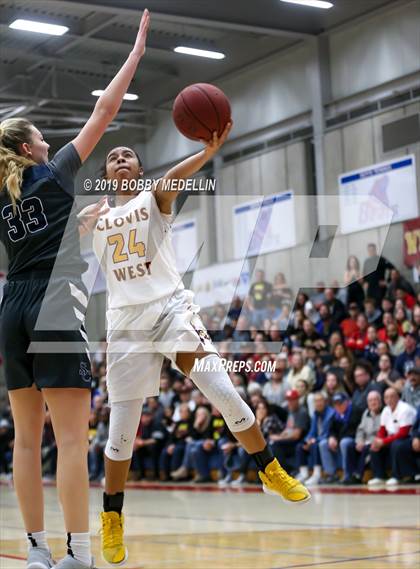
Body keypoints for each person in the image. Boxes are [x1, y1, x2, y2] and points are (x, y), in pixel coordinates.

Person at [91, 123, 310, 564]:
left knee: (223, 390)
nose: (119, 159)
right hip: (125, 324)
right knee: (121, 433)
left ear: (138, 168)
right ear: (105, 172)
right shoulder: (95, 218)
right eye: (112, 156)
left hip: (171, 309)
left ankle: (269, 468)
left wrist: (207, 151)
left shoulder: (152, 199)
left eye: (127, 155)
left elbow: (174, 178)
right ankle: (112, 518)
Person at [0, 10, 151, 569]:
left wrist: (77, 227)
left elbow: (36, 243)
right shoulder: (55, 170)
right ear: (30, 149)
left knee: (23, 440)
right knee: (67, 439)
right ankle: (78, 553)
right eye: (40, 135)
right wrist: (134, 56)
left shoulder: (3, 194)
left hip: (11, 305)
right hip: (54, 305)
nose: (48, 138)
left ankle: (35, 552)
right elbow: (105, 109)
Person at [368, 387, 417, 486]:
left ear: (398, 397)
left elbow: (403, 432)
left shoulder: (405, 409)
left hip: (410, 438)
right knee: (374, 445)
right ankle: (379, 476)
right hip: (395, 437)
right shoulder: (386, 410)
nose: (389, 400)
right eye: (386, 397)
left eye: (392, 397)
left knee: (396, 444)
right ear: (384, 400)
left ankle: (396, 476)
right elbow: (382, 430)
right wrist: (378, 441)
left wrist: (384, 441)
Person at [318, 393, 363, 484]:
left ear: (347, 402)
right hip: (340, 439)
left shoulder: (355, 411)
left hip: (354, 440)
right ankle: (331, 474)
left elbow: (353, 431)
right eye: (336, 404)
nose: (338, 406)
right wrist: (332, 437)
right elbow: (331, 429)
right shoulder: (335, 415)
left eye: (340, 403)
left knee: (344, 442)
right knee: (323, 444)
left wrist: (337, 439)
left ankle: (347, 475)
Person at [342, 390, 382, 484]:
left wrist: (367, 442)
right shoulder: (366, 413)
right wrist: (359, 441)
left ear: (380, 401)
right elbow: (360, 430)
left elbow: (383, 431)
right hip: (365, 441)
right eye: (370, 400)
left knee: (366, 448)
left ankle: (358, 475)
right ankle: (349, 475)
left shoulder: (385, 412)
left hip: (377, 441)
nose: (373, 402)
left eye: (375, 400)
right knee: (350, 446)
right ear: (367, 403)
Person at [295, 392, 335, 485]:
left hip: (327, 439)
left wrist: (314, 441)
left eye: (320, 401)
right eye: (316, 401)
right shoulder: (315, 414)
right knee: (300, 446)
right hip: (316, 439)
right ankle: (303, 473)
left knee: (315, 445)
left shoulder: (331, 413)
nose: (318, 403)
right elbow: (312, 431)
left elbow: (327, 432)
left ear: (325, 401)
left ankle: (317, 474)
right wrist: (307, 440)